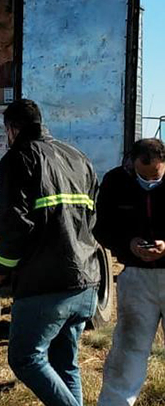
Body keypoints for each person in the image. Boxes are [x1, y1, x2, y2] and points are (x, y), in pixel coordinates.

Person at [0, 99, 100, 406]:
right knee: (65, 364)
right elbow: (92, 220)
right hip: (85, 281)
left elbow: (15, 225)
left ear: (11, 129)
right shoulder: (77, 156)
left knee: (25, 359)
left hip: (45, 283)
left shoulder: (18, 158)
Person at [96, 138, 165, 405]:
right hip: (136, 276)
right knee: (127, 349)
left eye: (156, 176)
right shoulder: (115, 181)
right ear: (131, 164)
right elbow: (101, 226)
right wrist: (128, 243)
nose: (149, 181)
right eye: (143, 175)